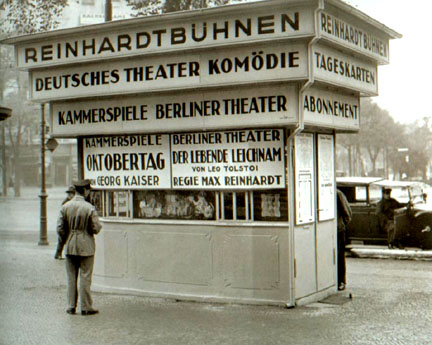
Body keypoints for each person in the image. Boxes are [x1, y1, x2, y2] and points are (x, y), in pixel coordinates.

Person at [56, 179, 102, 315]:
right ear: (86, 191)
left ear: (75, 190)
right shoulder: (89, 207)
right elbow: (96, 228)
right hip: (86, 246)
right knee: (85, 276)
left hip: (70, 245)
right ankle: (86, 307)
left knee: (71, 277)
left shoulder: (65, 207)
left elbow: (60, 228)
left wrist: (65, 239)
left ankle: (70, 306)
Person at [54, 185, 76, 260]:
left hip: (66, 224)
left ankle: (58, 254)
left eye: (72, 193)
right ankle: (58, 254)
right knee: (62, 240)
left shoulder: (69, 201)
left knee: (63, 240)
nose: (70, 195)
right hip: (65, 224)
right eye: (69, 194)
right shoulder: (66, 202)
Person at [337, 189, 352, 291]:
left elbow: (347, 213)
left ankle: (341, 280)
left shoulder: (337, 194)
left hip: (338, 229)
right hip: (329, 229)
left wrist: (341, 225)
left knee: (339, 255)